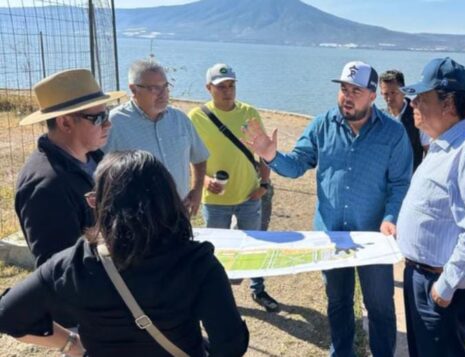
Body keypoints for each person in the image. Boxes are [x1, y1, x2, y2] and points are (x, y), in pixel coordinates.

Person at [0, 150, 248, 356]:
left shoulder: (73, 264)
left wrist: (70, 344)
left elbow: (7, 314)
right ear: (169, 200)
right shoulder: (198, 263)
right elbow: (230, 343)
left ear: (102, 204)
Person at [243, 61, 412, 357]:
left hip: (373, 238)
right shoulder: (322, 124)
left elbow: (400, 184)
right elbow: (297, 164)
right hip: (330, 235)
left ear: (372, 95)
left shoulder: (393, 133)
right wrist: (271, 155)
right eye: (343, 89)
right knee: (338, 302)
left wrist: (390, 218)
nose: (347, 96)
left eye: (355, 91)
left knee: (380, 306)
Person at [394, 57, 465, 357]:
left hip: (443, 288)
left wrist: (445, 286)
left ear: (449, 104)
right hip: (422, 277)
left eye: (421, 97)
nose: (412, 103)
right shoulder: (443, 143)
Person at [188, 63, 279, 313]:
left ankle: (258, 289)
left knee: (254, 245)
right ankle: (219, 294)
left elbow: (264, 151)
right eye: (221, 87)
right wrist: (205, 182)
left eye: (231, 86)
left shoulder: (248, 112)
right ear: (209, 88)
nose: (227, 91)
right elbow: (191, 156)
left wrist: (264, 184)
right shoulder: (196, 117)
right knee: (217, 250)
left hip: (250, 194)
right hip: (215, 199)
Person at [15, 68, 125, 268]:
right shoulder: (46, 185)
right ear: (65, 123)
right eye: (99, 118)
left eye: (106, 114)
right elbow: (60, 270)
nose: (108, 124)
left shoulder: (96, 158)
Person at [104, 58, 209, 216]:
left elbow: (199, 157)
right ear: (133, 90)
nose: (163, 94)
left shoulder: (180, 119)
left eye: (165, 86)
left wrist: (197, 189)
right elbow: (100, 173)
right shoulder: (115, 123)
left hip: (179, 213)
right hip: (137, 218)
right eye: (154, 88)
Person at [380, 69, 425, 171]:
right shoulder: (380, 119)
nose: (389, 98)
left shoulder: (418, 116)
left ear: (404, 91)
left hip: (412, 180)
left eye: (393, 93)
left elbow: (429, 151)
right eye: (386, 94)